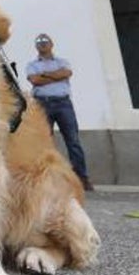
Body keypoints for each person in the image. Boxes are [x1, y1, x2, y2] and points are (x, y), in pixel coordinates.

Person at [26, 33, 94, 192]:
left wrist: (45, 75)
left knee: (73, 141)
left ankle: (81, 178)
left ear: (51, 44)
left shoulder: (62, 62)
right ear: (36, 46)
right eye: (39, 42)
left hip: (63, 103)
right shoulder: (32, 64)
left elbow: (67, 73)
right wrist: (55, 76)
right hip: (42, 104)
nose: (42, 44)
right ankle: (47, 179)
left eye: (45, 41)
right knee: (44, 143)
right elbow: (35, 80)